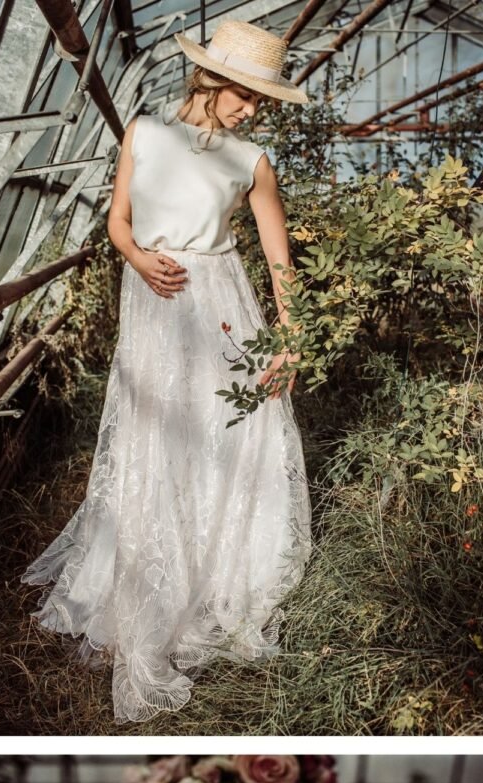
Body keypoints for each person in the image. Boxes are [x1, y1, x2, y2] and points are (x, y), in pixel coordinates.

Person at [23, 20, 312, 723]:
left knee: (229, 437)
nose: (253, 111)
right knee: (157, 437)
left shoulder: (253, 161)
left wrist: (291, 340)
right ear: (212, 82)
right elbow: (119, 222)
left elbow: (280, 264)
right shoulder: (144, 135)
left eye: (263, 102)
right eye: (247, 95)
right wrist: (136, 257)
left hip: (221, 305)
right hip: (156, 305)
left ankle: (220, 571)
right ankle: (150, 574)